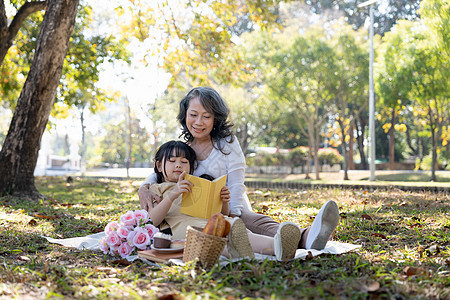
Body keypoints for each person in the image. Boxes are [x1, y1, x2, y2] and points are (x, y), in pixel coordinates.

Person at [139, 86, 339, 251]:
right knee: (231, 226)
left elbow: (236, 183)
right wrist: (145, 187)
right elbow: (163, 170)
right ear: (185, 116)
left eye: (206, 116)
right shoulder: (183, 149)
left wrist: (232, 213)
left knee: (248, 221)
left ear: (215, 118)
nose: (198, 122)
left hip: (230, 203)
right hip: (195, 214)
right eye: (193, 115)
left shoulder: (226, 143)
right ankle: (298, 240)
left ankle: (304, 236)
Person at [147, 139, 303, 261]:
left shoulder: (196, 183)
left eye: (184, 162)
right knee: (214, 241)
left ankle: (277, 246)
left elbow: (221, 213)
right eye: (172, 161)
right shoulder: (156, 189)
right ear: (159, 166)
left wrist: (224, 201)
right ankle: (238, 252)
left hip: (212, 222)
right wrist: (173, 194)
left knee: (235, 228)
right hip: (188, 230)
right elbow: (152, 220)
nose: (178, 165)